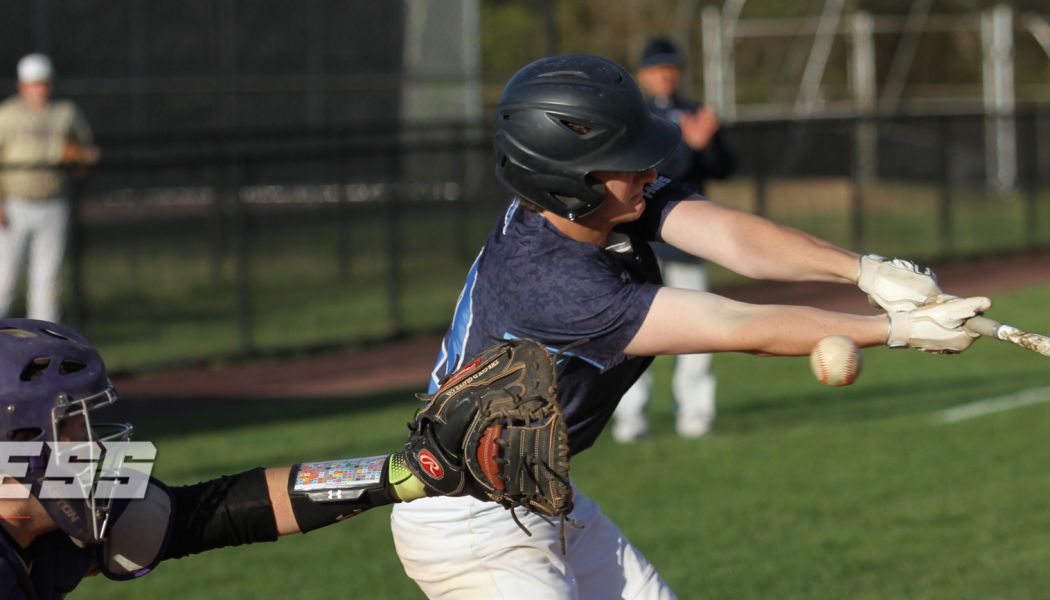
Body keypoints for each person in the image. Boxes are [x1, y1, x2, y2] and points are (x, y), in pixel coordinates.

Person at [389, 54, 990, 599]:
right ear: (569, 182)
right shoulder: (549, 284)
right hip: (470, 521)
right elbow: (734, 324)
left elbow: (730, 237)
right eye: (629, 164)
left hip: (544, 498)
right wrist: (894, 329)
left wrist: (866, 270)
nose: (651, 172)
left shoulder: (594, 208)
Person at [0, 318, 477, 599]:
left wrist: (404, 474)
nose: (93, 448)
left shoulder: (42, 527)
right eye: (71, 429)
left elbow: (223, 509)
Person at [614, 37, 736, 442]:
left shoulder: (693, 111)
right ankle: (631, 418)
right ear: (643, 74)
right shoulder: (635, 117)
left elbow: (724, 168)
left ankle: (696, 415)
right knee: (632, 331)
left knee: (701, 329)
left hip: (686, 240)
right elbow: (648, 173)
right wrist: (690, 146)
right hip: (641, 240)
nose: (665, 74)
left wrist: (709, 144)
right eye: (657, 67)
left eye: (671, 67)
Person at [0, 54, 98, 323]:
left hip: (54, 202)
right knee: (4, 279)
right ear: (22, 86)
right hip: (14, 204)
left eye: (43, 82)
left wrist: (78, 155)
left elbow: (89, 152)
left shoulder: (66, 113)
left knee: (48, 282)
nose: (39, 88)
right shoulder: (7, 115)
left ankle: (42, 348)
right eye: (33, 83)